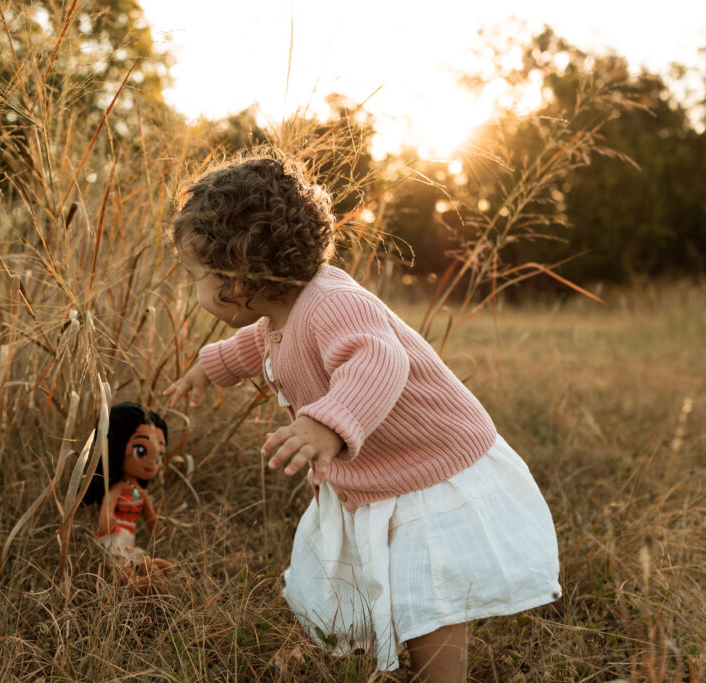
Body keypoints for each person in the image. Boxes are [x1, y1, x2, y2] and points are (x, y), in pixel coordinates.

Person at [163, 154, 560, 681]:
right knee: (391, 574)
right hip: (388, 466)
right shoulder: (284, 308)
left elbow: (378, 360)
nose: (193, 290)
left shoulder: (332, 303)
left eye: (196, 276)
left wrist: (325, 423)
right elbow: (261, 341)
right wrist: (210, 368)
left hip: (429, 464)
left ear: (238, 278)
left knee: (427, 587)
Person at [82, 401, 172, 594]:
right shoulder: (117, 489)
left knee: (138, 557)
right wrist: (107, 520)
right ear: (117, 446)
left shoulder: (141, 493)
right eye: (141, 451)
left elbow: (150, 517)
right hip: (112, 538)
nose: (152, 464)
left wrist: (157, 529)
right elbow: (108, 507)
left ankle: (152, 572)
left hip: (127, 540)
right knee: (120, 565)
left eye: (158, 456)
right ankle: (135, 586)